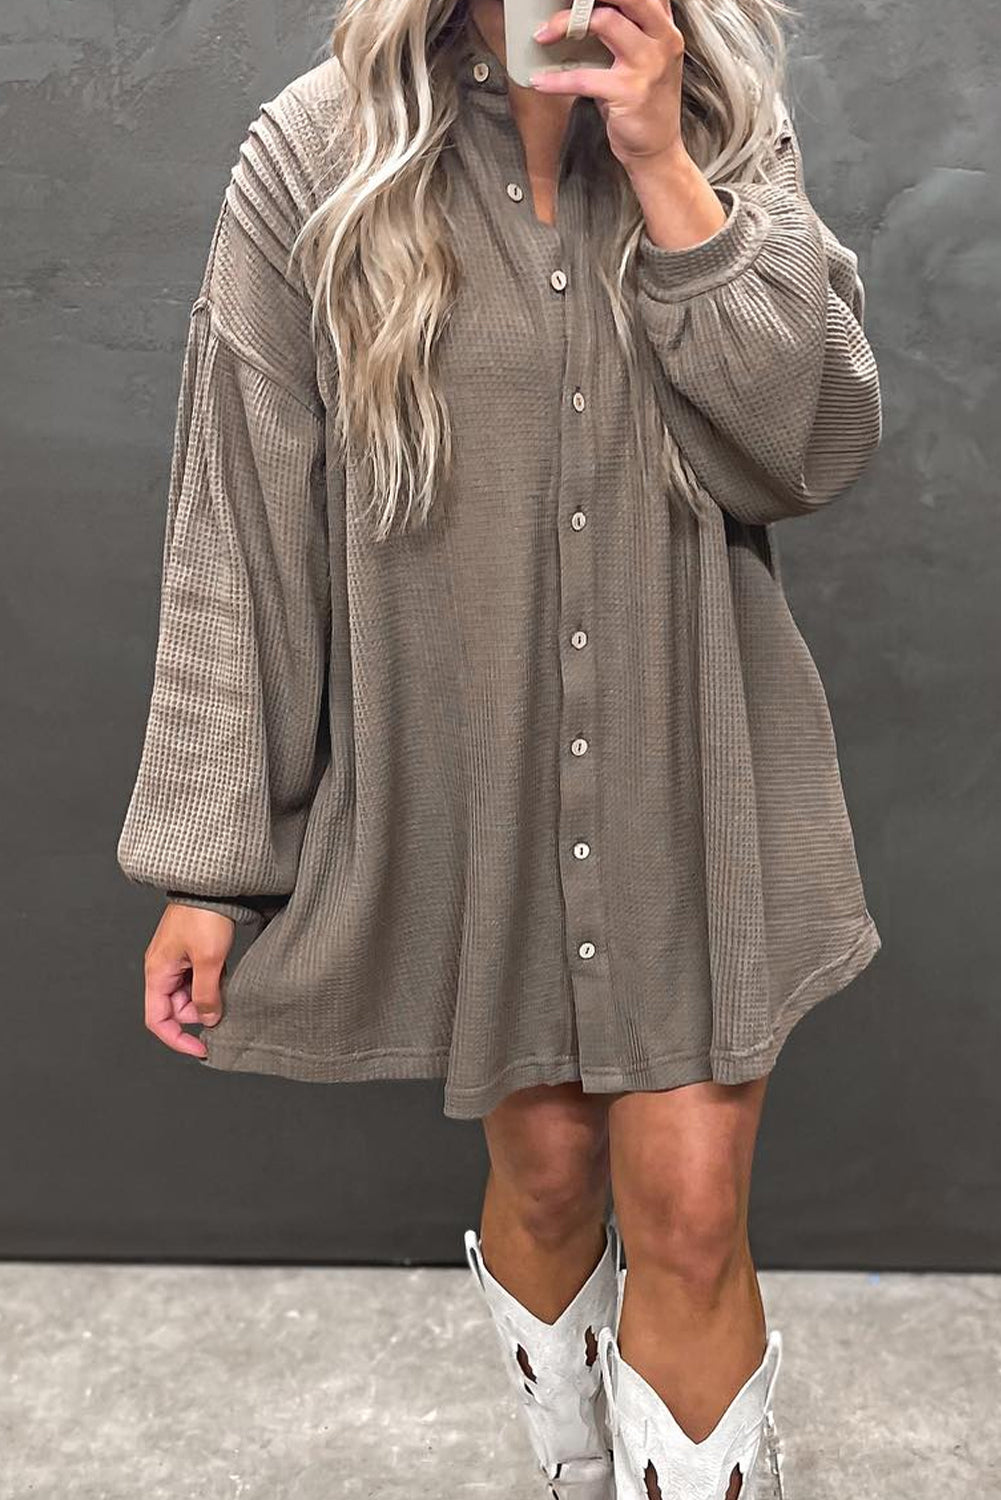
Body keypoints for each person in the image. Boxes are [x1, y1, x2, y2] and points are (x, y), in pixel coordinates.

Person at [117, 0, 882, 1492]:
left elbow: (806, 449)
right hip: (474, 777)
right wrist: (212, 868)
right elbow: (243, 518)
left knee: (690, 1209)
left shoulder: (721, 121)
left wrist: (661, 167)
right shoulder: (315, 155)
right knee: (547, 1173)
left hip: (688, 763)